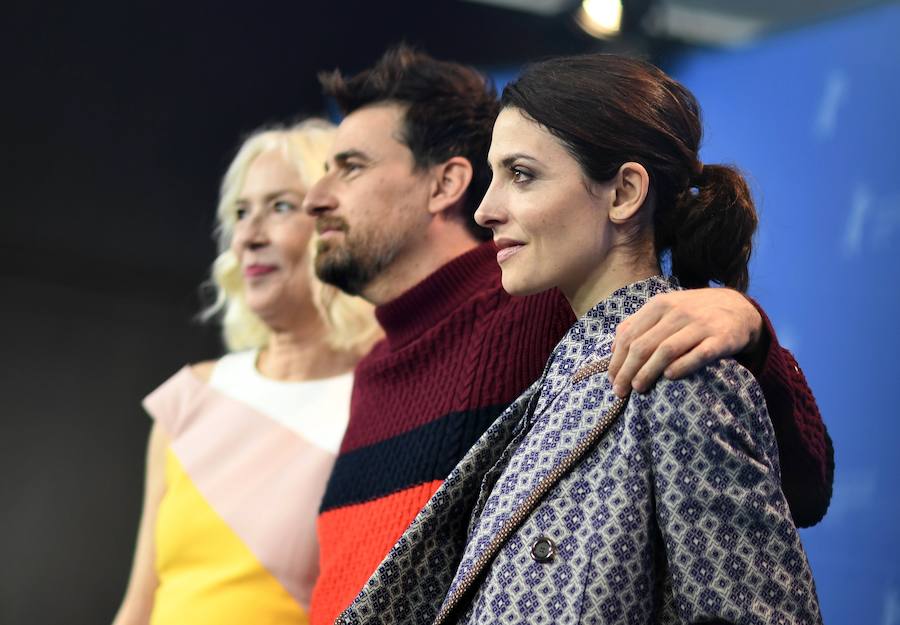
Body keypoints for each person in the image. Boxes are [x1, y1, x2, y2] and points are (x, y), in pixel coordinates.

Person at [302, 46, 831, 625]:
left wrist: (746, 326)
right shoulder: (546, 387)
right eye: (497, 173)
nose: (487, 209)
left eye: (521, 175)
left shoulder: (672, 366)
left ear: (625, 193)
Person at [111, 120, 380, 625]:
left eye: (280, 207)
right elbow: (139, 604)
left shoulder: (378, 405)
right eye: (241, 212)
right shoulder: (190, 396)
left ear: (336, 222)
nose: (250, 236)